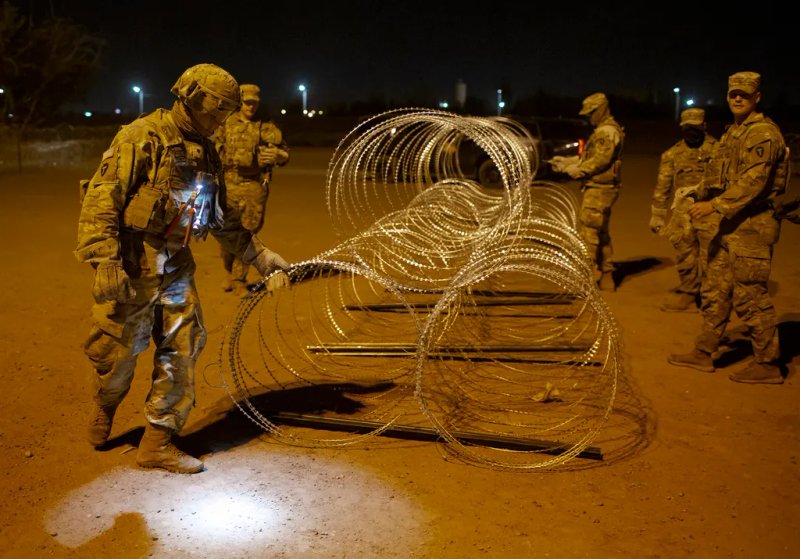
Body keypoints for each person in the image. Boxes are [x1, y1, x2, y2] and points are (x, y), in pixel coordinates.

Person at [75, 63, 291, 473]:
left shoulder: (207, 151)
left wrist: (259, 256)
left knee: (182, 347)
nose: (220, 122)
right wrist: (104, 259)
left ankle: (157, 440)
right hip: (133, 262)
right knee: (117, 354)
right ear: (189, 100)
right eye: (216, 112)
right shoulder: (142, 136)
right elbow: (102, 197)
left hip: (176, 265)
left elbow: (223, 217)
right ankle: (105, 404)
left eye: (226, 114)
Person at [667, 71, 790, 384]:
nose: (737, 99)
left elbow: (754, 182)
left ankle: (768, 363)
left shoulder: (762, 133)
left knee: (750, 294)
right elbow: (721, 175)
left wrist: (715, 205)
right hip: (728, 226)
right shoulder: (733, 134)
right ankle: (704, 351)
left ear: (757, 97)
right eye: (733, 93)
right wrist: (698, 189)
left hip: (751, 226)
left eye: (744, 95)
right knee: (715, 289)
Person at [215, 83, 290, 296]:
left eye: (254, 103)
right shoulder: (225, 123)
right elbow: (213, 149)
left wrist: (280, 156)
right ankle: (228, 272)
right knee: (227, 234)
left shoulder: (265, 126)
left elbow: (283, 151)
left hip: (254, 185)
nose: (251, 107)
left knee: (248, 233)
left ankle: (240, 279)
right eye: (247, 102)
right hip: (228, 184)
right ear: (240, 102)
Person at [551, 92, 624, 291]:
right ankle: (608, 275)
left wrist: (579, 170)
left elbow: (601, 160)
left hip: (600, 189)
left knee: (589, 232)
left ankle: (585, 279)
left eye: (590, 113)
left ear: (600, 109)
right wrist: (567, 162)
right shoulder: (605, 130)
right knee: (601, 233)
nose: (588, 117)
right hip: (603, 187)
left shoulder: (606, 132)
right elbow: (591, 157)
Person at [649, 108, 718, 312]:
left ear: (704, 126)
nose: (692, 132)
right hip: (683, 215)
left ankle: (711, 300)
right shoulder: (672, 154)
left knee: (711, 257)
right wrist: (658, 214)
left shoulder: (720, 150)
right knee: (685, 254)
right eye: (688, 128)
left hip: (711, 212)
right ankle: (689, 293)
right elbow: (663, 185)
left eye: (696, 128)